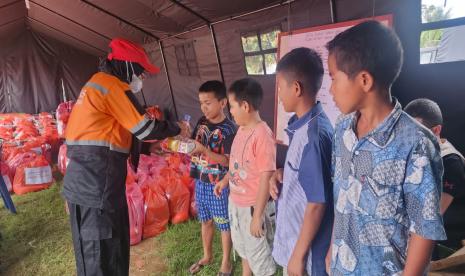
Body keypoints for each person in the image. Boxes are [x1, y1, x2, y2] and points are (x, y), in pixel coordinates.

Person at [326, 21, 446, 275]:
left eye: (334, 78)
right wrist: (332, 248)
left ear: (364, 80)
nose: (330, 89)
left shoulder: (416, 143)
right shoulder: (342, 129)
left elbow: (424, 228)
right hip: (342, 264)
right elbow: (343, 197)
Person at [63, 38, 189, 276]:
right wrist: (177, 128)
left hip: (89, 183)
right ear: (128, 66)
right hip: (96, 186)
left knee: (106, 251)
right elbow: (144, 128)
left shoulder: (96, 84)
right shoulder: (112, 86)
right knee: (101, 257)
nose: (142, 77)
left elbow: (109, 132)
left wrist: (145, 150)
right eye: (140, 71)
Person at [270, 47, 333, 276]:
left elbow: (317, 204)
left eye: (280, 88)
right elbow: (305, 177)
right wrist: (282, 174)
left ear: (296, 88)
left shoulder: (313, 136)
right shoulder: (301, 125)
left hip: (307, 254)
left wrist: (297, 257)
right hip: (295, 241)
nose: (279, 95)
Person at [215, 78, 277, 276]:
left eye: (232, 106)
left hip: (253, 207)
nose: (230, 111)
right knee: (243, 250)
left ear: (245, 106)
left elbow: (266, 177)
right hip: (236, 204)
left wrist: (257, 216)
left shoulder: (263, 135)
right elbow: (236, 162)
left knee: (259, 257)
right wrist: (225, 181)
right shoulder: (241, 129)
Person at [186, 80, 237, 275]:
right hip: (200, 180)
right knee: (205, 220)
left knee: (223, 223)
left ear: (223, 103)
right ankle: (207, 255)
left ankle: (226, 262)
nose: (203, 107)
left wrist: (204, 151)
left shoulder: (229, 129)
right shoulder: (201, 122)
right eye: (201, 102)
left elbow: (227, 162)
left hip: (219, 185)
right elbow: (193, 145)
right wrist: (186, 140)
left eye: (208, 102)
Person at [404, 98, 465, 259]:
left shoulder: (451, 162)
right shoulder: (420, 155)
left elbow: (430, 217)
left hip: (448, 250)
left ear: (437, 130)